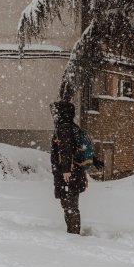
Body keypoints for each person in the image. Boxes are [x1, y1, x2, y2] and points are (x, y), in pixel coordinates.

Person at [50, 100, 103, 235]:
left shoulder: (64, 128)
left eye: (56, 111)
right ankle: (73, 231)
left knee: (69, 205)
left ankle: (73, 234)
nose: (54, 114)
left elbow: (66, 149)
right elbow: (79, 148)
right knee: (71, 204)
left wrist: (66, 170)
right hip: (76, 172)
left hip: (69, 173)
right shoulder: (73, 127)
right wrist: (94, 160)